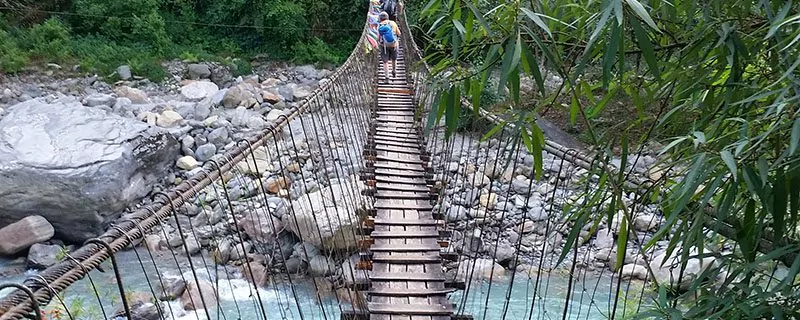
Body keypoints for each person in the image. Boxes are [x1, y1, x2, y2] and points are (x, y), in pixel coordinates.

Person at [377, 11, 400, 83]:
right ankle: (394, 71)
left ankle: (387, 78)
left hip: (384, 46)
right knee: (394, 59)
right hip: (394, 45)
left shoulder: (380, 25)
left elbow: (378, 37)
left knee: (385, 62)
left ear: (380, 19)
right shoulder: (393, 23)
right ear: (388, 17)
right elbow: (399, 33)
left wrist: (378, 44)